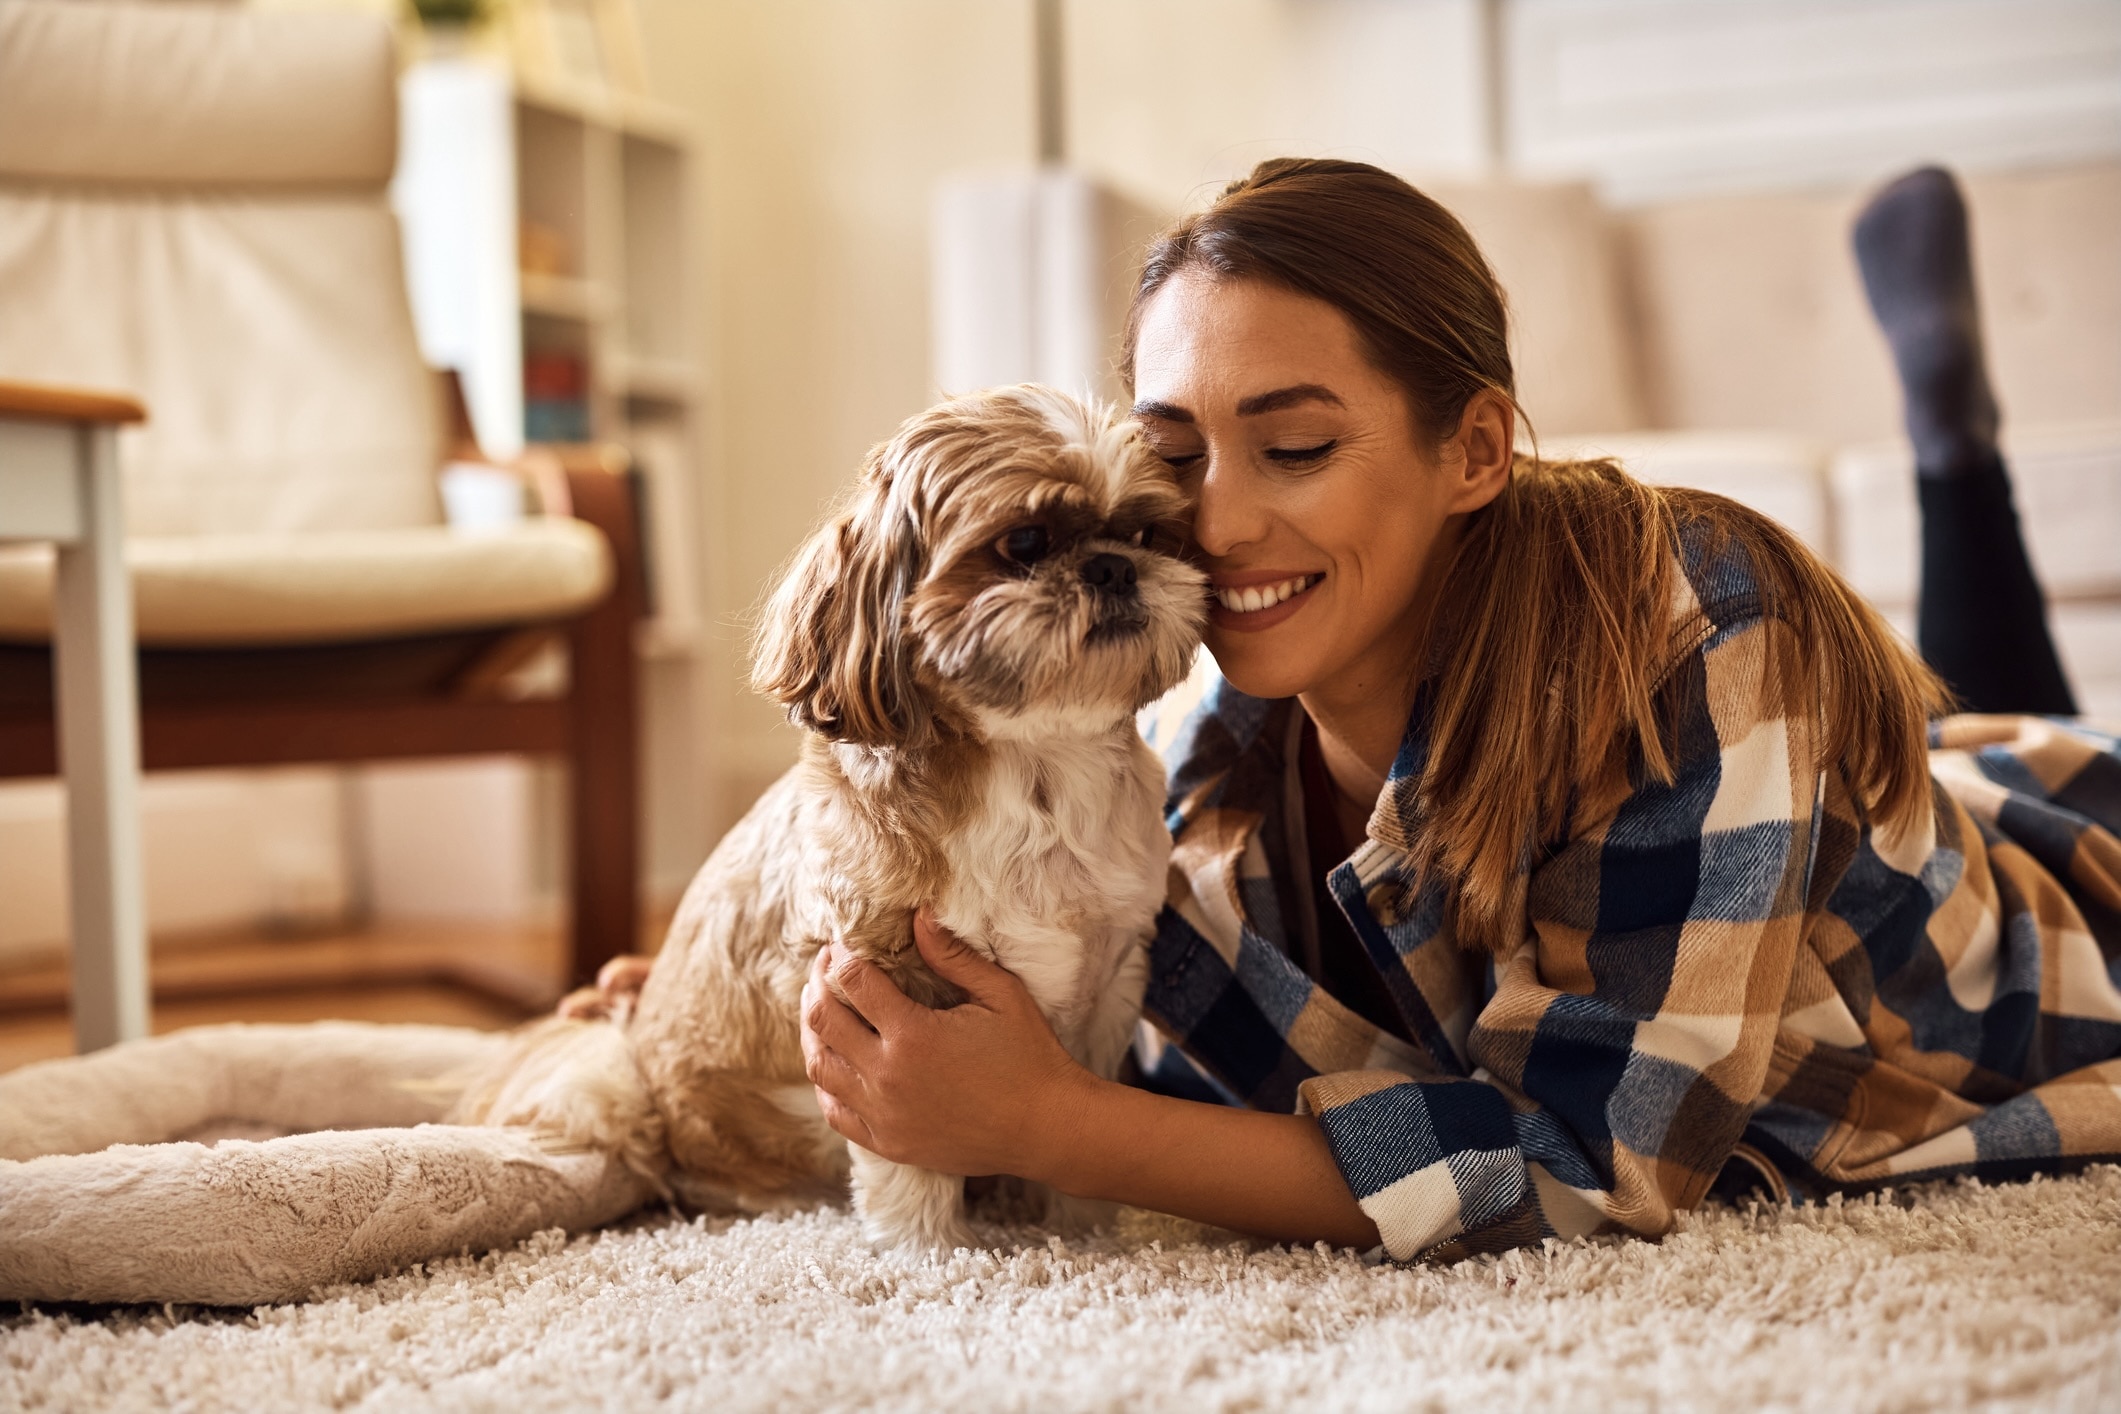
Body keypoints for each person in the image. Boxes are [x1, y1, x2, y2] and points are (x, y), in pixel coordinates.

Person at [797, 160, 2121, 1262]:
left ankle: (1955, 458)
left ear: (1478, 449)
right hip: (1893, 786)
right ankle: (1956, 458)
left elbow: (1594, 1163)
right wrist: (693, 980)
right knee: (1965, 718)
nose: (1214, 521)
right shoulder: (1198, 754)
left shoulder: (1700, 625)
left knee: (2000, 717)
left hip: (2054, 913)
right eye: (1175, 456)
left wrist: (1057, 1126)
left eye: (1296, 445)